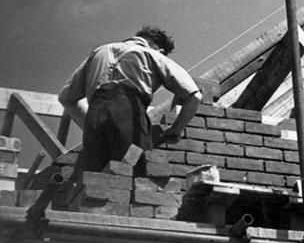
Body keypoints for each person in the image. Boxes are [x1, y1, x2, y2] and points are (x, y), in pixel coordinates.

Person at [59, 26, 202, 172]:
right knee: (134, 171)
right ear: (160, 49)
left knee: (94, 179)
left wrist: (92, 126)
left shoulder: (100, 51)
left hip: (94, 115)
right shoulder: (152, 54)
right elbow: (194, 95)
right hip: (128, 109)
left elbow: (66, 98)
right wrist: (176, 129)